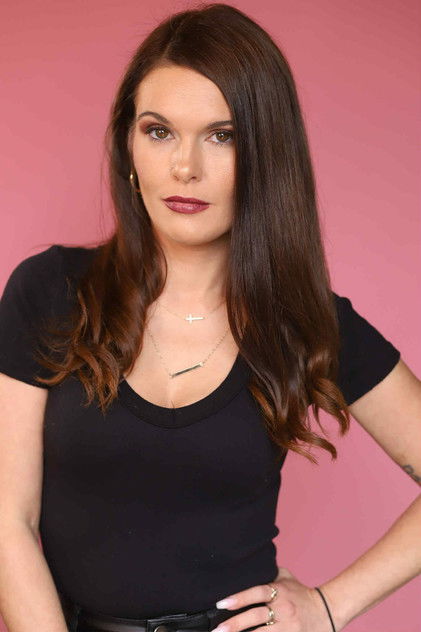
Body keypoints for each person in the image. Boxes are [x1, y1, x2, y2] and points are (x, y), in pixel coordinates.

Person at [0, 3, 420, 632]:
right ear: (128, 144)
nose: (185, 167)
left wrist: (330, 607)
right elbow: (6, 518)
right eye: (159, 131)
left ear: (265, 156)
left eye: (222, 136)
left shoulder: (304, 322)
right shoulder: (52, 291)